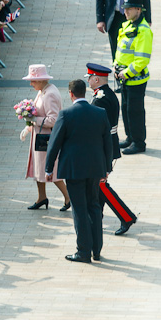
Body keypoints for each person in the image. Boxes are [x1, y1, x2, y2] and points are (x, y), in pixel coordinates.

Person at [45, 79, 113, 263]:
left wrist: (48, 168)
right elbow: (108, 142)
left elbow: (55, 143)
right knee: (94, 206)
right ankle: (96, 250)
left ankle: (83, 251)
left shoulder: (66, 114)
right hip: (95, 168)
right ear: (84, 92)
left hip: (74, 169)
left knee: (79, 209)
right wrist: (107, 168)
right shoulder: (100, 113)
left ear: (71, 94)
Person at [85, 63, 137, 235]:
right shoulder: (107, 94)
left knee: (101, 185)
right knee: (98, 185)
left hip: (102, 148)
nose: (89, 81)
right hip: (107, 146)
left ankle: (126, 217)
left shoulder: (100, 98)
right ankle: (96, 216)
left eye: (90, 77)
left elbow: (97, 128)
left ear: (97, 78)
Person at [21, 64, 70, 211]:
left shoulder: (49, 94)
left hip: (48, 139)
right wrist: (29, 126)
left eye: (33, 81)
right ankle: (41, 197)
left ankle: (69, 198)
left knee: (51, 170)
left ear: (41, 80)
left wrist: (33, 121)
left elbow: (53, 120)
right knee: (38, 169)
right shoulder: (43, 90)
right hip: (40, 137)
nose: (31, 84)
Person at [114, 0, 153, 155]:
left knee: (135, 111)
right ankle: (130, 137)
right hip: (124, 77)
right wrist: (116, 67)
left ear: (138, 9)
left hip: (134, 79)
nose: (126, 11)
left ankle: (139, 142)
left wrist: (126, 72)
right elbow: (121, 51)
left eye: (129, 8)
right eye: (125, 8)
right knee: (126, 109)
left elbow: (142, 59)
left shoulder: (143, 31)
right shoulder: (128, 25)